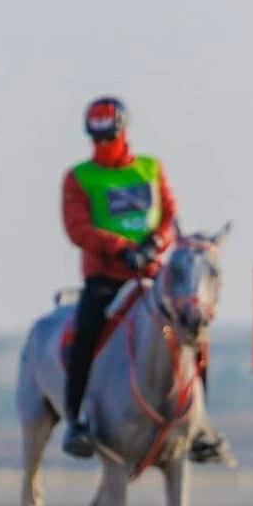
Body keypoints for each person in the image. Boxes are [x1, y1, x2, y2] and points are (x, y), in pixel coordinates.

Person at [61, 96, 227, 464]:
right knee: (85, 334)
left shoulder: (150, 169)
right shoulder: (79, 177)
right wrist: (120, 248)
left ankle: (200, 426)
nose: (104, 145)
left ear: (122, 131)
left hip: (152, 275)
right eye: (98, 138)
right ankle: (76, 421)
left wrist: (156, 242)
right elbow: (77, 228)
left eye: (110, 136)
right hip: (106, 275)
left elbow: (170, 214)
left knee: (195, 332)